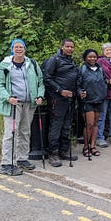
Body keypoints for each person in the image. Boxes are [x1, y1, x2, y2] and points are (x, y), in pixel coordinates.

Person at [0, 39, 45, 175]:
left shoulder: (32, 63)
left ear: (25, 49)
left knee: (25, 132)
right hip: (13, 104)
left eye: (21, 47)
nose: (19, 49)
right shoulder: (5, 65)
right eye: (16, 47)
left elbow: (40, 81)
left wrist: (40, 96)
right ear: (12, 49)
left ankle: (22, 159)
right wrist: (7, 97)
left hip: (29, 103)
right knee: (11, 133)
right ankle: (6, 163)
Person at [44, 38, 79, 167]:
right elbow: (47, 78)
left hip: (70, 98)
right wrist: (60, 90)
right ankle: (53, 154)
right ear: (62, 47)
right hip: (57, 99)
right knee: (56, 126)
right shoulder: (54, 60)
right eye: (68, 46)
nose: (70, 49)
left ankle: (63, 151)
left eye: (72, 47)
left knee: (67, 125)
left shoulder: (72, 61)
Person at [77, 49, 107, 157]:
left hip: (99, 99)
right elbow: (78, 85)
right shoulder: (82, 69)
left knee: (95, 124)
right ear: (85, 58)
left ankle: (93, 146)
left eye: (94, 57)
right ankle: (86, 146)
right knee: (88, 124)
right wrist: (80, 92)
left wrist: (103, 93)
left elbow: (104, 82)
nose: (92, 59)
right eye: (90, 57)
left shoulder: (100, 69)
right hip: (87, 101)